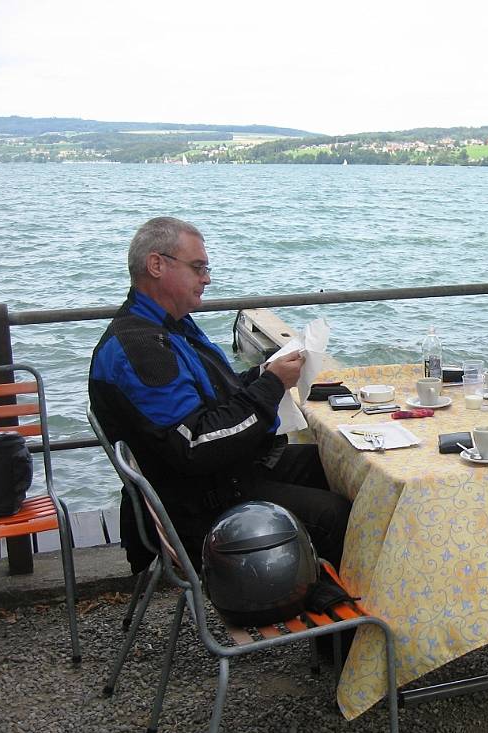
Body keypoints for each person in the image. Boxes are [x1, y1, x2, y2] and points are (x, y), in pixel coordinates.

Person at [89, 216, 351, 575]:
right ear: (156, 265)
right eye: (198, 268)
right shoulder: (140, 349)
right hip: (198, 509)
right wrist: (271, 386)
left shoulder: (170, 328)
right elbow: (195, 444)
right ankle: (345, 627)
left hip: (222, 477)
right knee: (338, 516)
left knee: (342, 468)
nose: (207, 279)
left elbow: (215, 398)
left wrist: (264, 375)